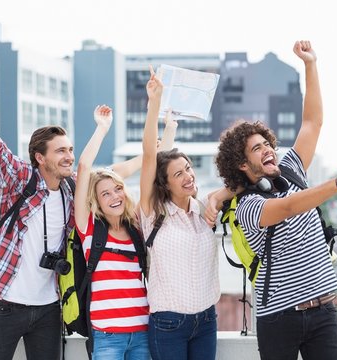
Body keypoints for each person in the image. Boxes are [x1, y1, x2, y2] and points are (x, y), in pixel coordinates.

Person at [0, 54, 144, 360]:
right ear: (40, 157)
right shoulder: (19, 181)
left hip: (49, 308)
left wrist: (149, 154)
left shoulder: (70, 188)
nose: (68, 156)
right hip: (6, 303)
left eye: (70, 150)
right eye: (61, 151)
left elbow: (111, 173)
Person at [213, 41, 337, 360]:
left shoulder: (293, 169)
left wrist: (310, 65)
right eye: (256, 149)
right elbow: (287, 208)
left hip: (324, 310)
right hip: (279, 317)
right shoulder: (248, 206)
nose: (267, 149)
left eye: (266, 143)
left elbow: (312, 122)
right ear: (243, 166)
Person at [138, 67, 231, 360]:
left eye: (188, 168)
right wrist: (155, 102)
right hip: (168, 324)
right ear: (164, 183)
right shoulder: (153, 213)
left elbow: (238, 185)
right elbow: (150, 155)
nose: (188, 176)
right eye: (178, 174)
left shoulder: (204, 207)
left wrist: (221, 195)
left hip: (206, 320)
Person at [74, 104, 177, 360]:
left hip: (142, 332)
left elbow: (153, 163)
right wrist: (102, 128)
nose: (114, 196)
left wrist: (170, 128)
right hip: (107, 336)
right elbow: (84, 167)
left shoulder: (136, 228)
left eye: (117, 189)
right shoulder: (89, 229)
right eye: (105, 194)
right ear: (96, 202)